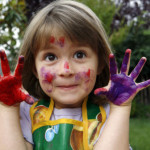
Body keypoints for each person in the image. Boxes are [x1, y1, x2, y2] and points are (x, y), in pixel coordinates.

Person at [0, 0, 149, 150]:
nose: (66, 70)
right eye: (51, 57)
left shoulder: (106, 114)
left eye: (79, 55)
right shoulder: (29, 113)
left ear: (100, 64)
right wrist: (8, 108)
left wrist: (120, 109)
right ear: (34, 68)